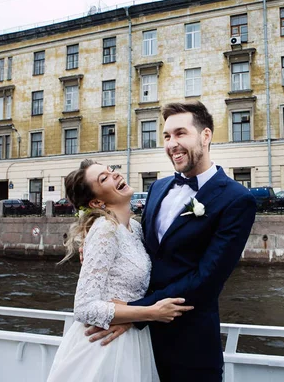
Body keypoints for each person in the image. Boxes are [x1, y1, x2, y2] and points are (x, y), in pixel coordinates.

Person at [86, 101, 257, 381]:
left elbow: (207, 279)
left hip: (189, 344)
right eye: (166, 136)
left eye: (180, 134)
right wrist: (94, 241)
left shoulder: (237, 199)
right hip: (135, 343)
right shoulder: (158, 187)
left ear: (205, 136)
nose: (172, 144)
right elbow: (140, 242)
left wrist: (137, 312)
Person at [47, 160, 193, 382]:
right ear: (96, 201)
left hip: (132, 337)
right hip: (104, 347)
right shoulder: (105, 230)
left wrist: (135, 316)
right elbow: (84, 307)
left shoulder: (134, 228)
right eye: (103, 179)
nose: (114, 175)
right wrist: (151, 312)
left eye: (110, 171)